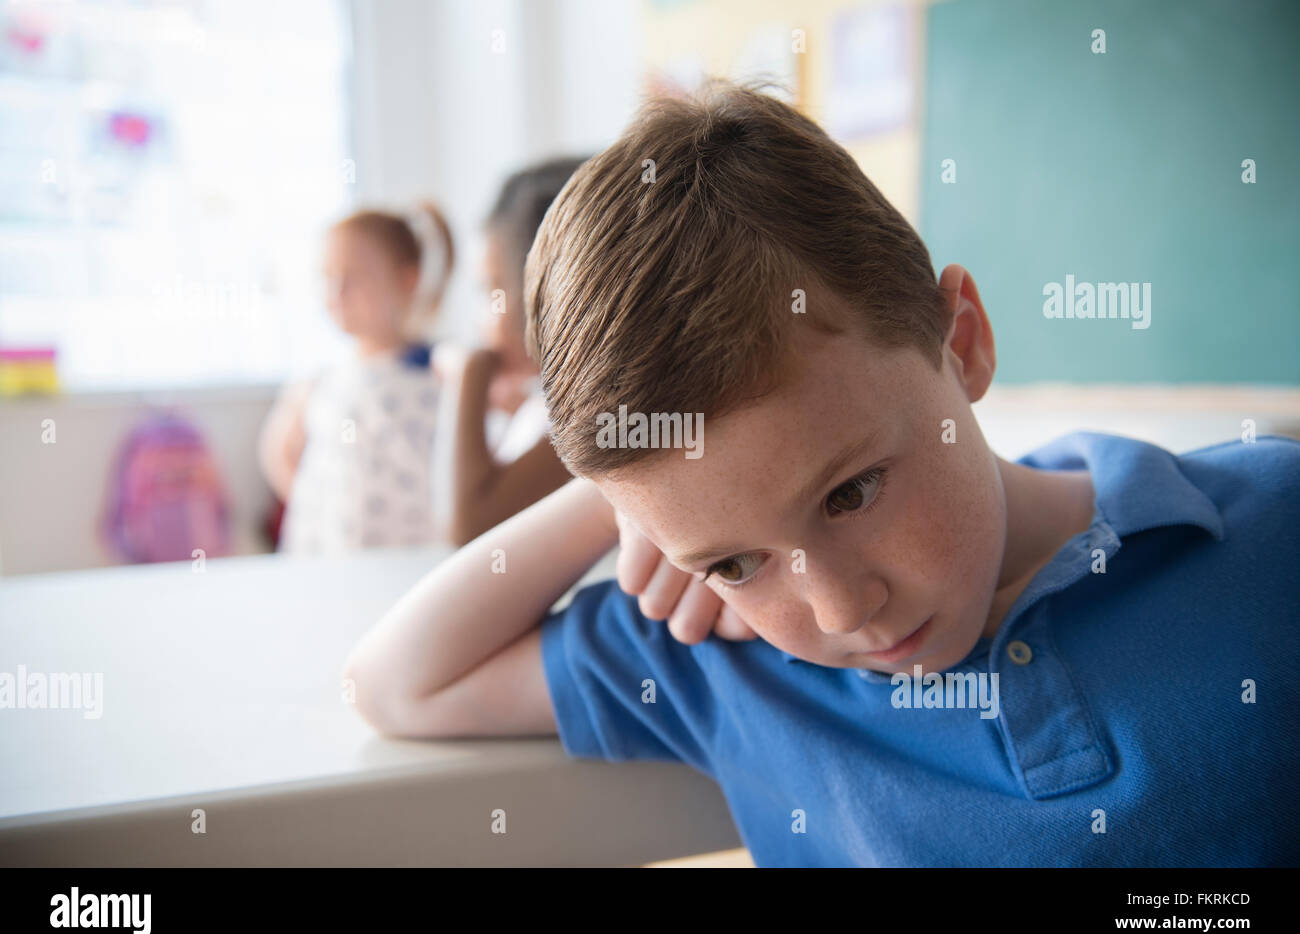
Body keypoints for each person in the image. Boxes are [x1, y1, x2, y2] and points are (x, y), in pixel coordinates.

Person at [341, 81, 1300, 865]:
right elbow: (400, 682)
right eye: (735, 560)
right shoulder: (733, 661)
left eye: (852, 491)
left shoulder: (1271, 529)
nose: (841, 610)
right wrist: (628, 494)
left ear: (958, 340)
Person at [258, 202, 453, 553]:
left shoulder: (440, 370)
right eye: (328, 277)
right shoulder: (319, 378)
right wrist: (319, 506)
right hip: (333, 554)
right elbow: (279, 452)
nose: (337, 291)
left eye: (354, 276)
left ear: (407, 279)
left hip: (415, 555)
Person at [432, 158, 587, 546]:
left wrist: (472, 373)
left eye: (493, 290)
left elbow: (466, 529)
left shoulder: (607, 417)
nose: (483, 320)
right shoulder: (546, 406)